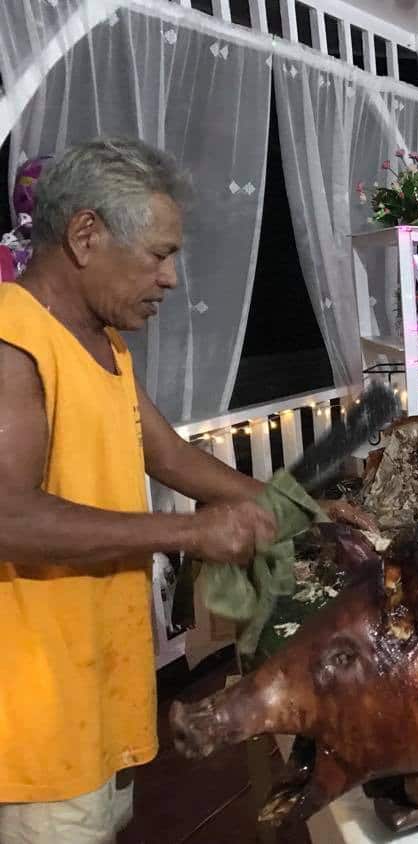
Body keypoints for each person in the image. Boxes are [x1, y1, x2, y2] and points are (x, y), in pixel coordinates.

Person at [0, 137, 368, 843]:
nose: (170, 278)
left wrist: (302, 511)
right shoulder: (14, 339)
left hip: (94, 683)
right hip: (34, 710)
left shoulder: (102, 343)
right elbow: (7, 515)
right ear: (85, 235)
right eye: (158, 254)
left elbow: (165, 454)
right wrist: (188, 533)